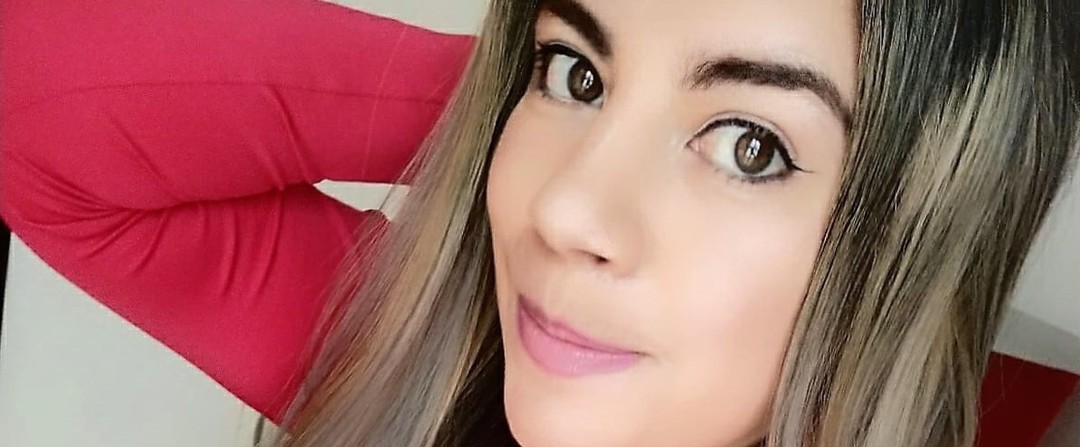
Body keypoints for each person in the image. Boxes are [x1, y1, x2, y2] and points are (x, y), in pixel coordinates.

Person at [1, 0, 1077, 446]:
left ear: (924, 239)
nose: (563, 208)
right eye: (572, 69)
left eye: (751, 145)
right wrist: (497, 113)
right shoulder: (442, 371)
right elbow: (30, 103)